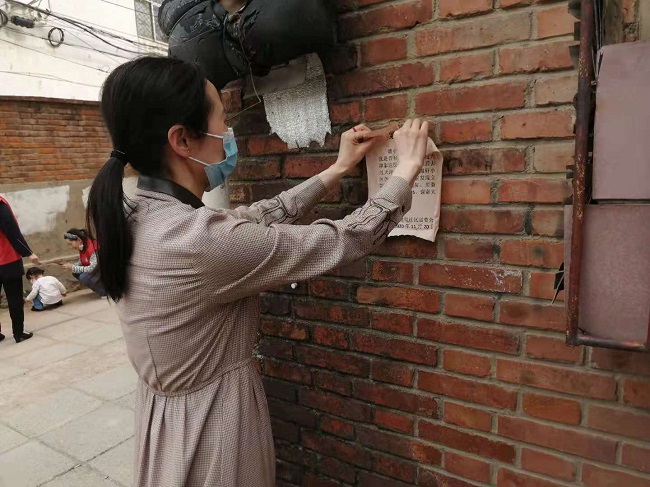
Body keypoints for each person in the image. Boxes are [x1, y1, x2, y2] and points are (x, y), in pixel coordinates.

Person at [86, 56, 429, 487]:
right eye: (221, 121)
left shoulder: (143, 216)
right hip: (213, 428)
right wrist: (406, 170)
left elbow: (257, 217)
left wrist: (338, 169)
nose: (228, 133)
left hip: (168, 421)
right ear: (183, 140)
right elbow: (340, 240)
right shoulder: (197, 241)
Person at [0, 195, 38, 343]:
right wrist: (27, 252)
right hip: (7, 259)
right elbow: (11, 230)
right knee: (14, 298)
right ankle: (18, 332)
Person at [61, 228, 106, 297]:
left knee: (84, 277)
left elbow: (92, 269)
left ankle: (105, 291)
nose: (70, 247)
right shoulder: (83, 246)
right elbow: (83, 261)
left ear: (79, 240)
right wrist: (72, 266)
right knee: (76, 272)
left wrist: (73, 267)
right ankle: (99, 288)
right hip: (98, 271)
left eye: (70, 244)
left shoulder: (92, 248)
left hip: (105, 271)